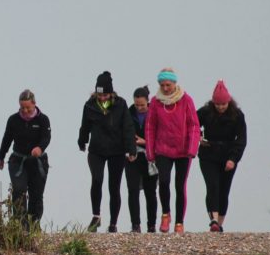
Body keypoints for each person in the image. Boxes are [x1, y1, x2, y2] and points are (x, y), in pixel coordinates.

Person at [78, 71, 136, 233]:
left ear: (111, 93)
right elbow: (85, 126)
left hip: (117, 151)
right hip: (96, 150)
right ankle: (96, 216)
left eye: (105, 95)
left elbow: (128, 128)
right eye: (99, 95)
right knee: (97, 179)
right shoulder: (89, 105)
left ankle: (113, 223)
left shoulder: (121, 104)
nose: (102, 98)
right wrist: (82, 141)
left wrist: (131, 149)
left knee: (114, 186)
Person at [145, 68, 200, 234]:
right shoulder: (155, 102)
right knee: (164, 181)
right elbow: (150, 126)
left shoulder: (186, 100)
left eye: (168, 84)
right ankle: (165, 213)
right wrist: (150, 150)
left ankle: (179, 222)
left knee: (179, 185)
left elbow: (194, 125)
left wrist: (192, 148)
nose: (166, 88)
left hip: (183, 150)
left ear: (174, 83)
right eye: (162, 85)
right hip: (163, 149)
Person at [197, 80, 247, 232]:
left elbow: (242, 139)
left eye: (223, 104)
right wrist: (198, 136)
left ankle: (220, 222)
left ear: (228, 102)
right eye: (217, 104)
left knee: (224, 190)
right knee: (212, 186)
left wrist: (233, 159)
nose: (220, 107)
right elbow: (192, 125)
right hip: (208, 154)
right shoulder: (205, 112)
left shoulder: (237, 115)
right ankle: (213, 221)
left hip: (228, 155)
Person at [0, 89, 51, 229]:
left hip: (37, 162)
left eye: (28, 107)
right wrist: (1, 157)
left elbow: (46, 137)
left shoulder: (43, 119)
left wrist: (39, 148)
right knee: (19, 190)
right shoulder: (13, 120)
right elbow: (7, 139)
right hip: (18, 161)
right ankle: (20, 224)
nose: (25, 110)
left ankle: (33, 224)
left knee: (36, 194)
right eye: (22, 107)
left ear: (34, 104)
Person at [125, 85, 158, 233]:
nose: (139, 108)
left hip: (151, 156)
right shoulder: (128, 113)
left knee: (150, 192)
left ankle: (151, 225)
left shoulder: (155, 113)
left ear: (148, 101)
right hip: (133, 156)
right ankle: (135, 225)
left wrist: (145, 142)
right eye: (137, 104)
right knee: (133, 190)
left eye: (142, 105)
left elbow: (162, 135)